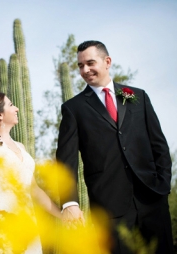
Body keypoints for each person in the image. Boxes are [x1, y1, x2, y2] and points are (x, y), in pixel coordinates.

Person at [56, 40, 172, 253]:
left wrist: (163, 184)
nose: (85, 70)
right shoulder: (73, 108)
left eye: (90, 63)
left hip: (152, 199)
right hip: (109, 207)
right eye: (80, 65)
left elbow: (159, 145)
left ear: (107, 61)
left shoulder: (138, 97)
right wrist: (69, 203)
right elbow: (66, 160)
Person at [0, 92, 62, 253]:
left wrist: (61, 215)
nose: (17, 109)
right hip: (1, 216)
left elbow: (34, 189)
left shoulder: (21, 147)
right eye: (11, 105)